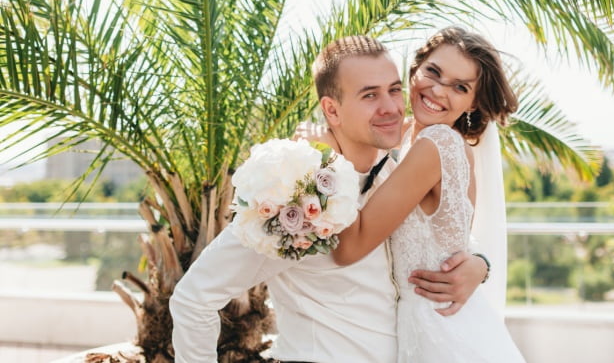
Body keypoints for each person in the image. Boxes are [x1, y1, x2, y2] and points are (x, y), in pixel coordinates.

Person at [169, 35, 490, 362]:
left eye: (394, 90)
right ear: (332, 110)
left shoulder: (394, 171)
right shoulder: (295, 194)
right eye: (369, 95)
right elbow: (194, 298)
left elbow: (437, 233)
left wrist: (480, 263)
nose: (391, 107)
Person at [332, 27, 526, 362]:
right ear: (415, 68)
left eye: (460, 87)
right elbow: (458, 239)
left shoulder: (439, 145)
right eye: (433, 72)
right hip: (422, 326)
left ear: (473, 103)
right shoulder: (406, 135)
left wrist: (327, 161)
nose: (437, 90)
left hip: (442, 333)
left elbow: (349, 247)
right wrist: (480, 264)